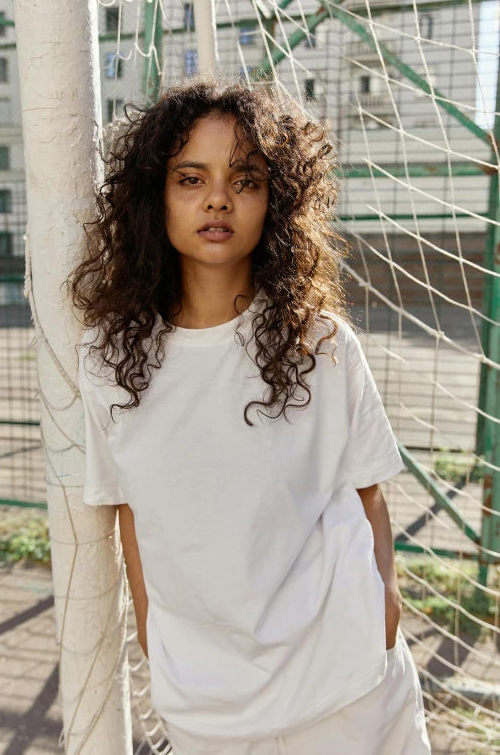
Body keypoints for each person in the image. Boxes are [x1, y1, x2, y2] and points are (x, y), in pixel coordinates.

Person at [67, 78, 431, 754]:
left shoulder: (320, 342)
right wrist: (152, 632)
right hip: (207, 699)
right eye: (190, 177)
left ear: (276, 200)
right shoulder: (109, 358)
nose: (218, 198)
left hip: (345, 678)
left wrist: (385, 600)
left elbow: (368, 491)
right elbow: (127, 509)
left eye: (245, 178)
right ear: (156, 195)